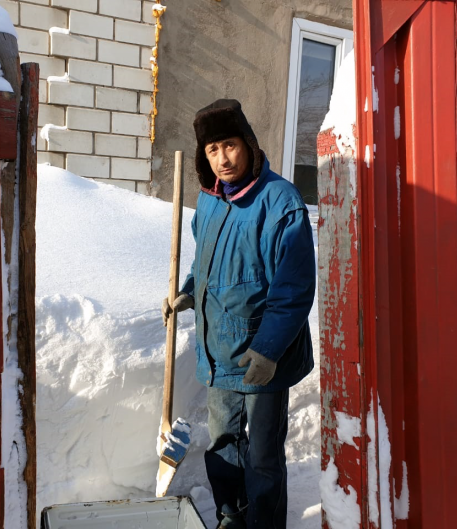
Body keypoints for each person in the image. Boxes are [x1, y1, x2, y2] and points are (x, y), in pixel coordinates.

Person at [161, 99, 316, 528]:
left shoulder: (280, 202)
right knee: (223, 443)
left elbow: (293, 288)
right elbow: (205, 262)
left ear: (247, 143)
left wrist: (268, 350)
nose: (222, 159)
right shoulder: (210, 200)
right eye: (212, 150)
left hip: (265, 356)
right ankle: (232, 515)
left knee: (263, 454)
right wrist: (188, 292)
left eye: (229, 145)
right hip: (220, 350)